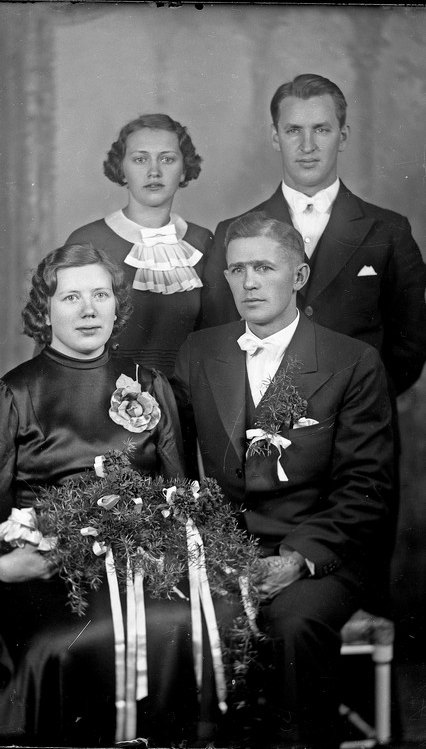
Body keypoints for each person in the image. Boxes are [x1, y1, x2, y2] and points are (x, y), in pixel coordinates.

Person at [173, 212, 395, 749]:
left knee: (293, 627)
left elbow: (366, 487)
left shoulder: (353, 361)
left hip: (320, 555)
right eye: (237, 269)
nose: (248, 282)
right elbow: (173, 459)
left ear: (298, 276)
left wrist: (297, 559)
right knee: (191, 624)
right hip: (226, 553)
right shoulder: (199, 351)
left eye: (264, 268)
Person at [0, 244, 217, 748]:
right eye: (71, 297)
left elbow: (178, 491)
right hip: (50, 571)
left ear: (117, 306)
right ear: (45, 312)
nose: (88, 309)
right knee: (66, 645)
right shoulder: (15, 393)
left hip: (142, 562)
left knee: (180, 624)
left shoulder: (147, 383)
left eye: (100, 295)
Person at [201, 73, 426, 401]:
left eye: (321, 129)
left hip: (359, 420)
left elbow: (411, 343)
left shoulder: (389, 230)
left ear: (342, 136)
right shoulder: (231, 232)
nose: (307, 146)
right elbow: (216, 336)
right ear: (276, 136)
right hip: (262, 420)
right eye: (294, 130)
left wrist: (362, 403)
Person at [65, 113, 213, 379]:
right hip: (101, 392)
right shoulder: (89, 240)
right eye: (140, 159)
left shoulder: (202, 242)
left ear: (184, 169)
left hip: (185, 397)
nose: (154, 171)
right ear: (121, 168)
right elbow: (58, 342)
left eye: (167, 159)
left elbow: (218, 337)